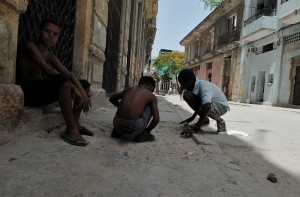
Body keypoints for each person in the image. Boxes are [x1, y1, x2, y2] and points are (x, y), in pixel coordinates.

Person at [17, 18, 93, 146]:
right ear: (40, 31)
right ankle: (71, 130)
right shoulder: (31, 46)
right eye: (47, 31)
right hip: (28, 92)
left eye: (55, 34)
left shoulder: (50, 55)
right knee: (64, 81)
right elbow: (48, 70)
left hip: (41, 90)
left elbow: (70, 74)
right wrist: (73, 88)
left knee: (84, 83)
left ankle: (76, 124)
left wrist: (83, 93)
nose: (51, 36)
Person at [178, 69, 230, 138]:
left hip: (221, 106)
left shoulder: (203, 86)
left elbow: (207, 106)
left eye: (183, 84)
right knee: (187, 95)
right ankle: (204, 120)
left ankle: (221, 122)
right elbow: (199, 105)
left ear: (189, 82)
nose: (183, 87)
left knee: (205, 105)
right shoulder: (195, 86)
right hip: (211, 104)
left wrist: (196, 129)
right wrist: (192, 118)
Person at [109, 76, 160, 143]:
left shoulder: (129, 89)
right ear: (150, 86)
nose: (151, 92)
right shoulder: (151, 96)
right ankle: (145, 134)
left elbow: (112, 99)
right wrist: (147, 131)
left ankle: (117, 132)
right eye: (152, 90)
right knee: (150, 107)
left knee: (125, 104)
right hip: (134, 127)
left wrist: (121, 107)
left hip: (117, 124)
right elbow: (156, 119)